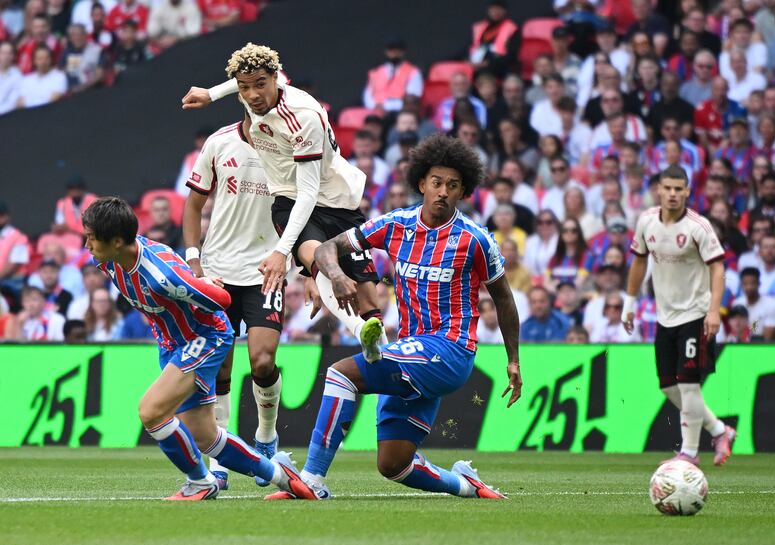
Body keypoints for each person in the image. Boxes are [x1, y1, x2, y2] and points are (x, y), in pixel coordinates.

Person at [267, 134, 522, 501]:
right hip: (410, 350)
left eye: (453, 185)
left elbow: (504, 298)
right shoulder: (396, 224)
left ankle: (312, 478)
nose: (443, 192)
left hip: (450, 350)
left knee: (341, 374)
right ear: (421, 183)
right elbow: (326, 249)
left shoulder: (475, 239)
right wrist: (337, 277)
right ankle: (466, 485)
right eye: (436, 183)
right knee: (394, 465)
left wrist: (513, 359)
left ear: (463, 191)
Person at [82, 196, 316, 501]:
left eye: (91, 238)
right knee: (205, 437)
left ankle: (200, 483)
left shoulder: (161, 276)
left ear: (116, 241)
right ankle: (279, 475)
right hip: (172, 342)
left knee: (151, 411)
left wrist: (205, 284)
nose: (87, 245)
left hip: (205, 338)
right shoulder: (107, 259)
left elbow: (223, 301)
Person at [181, 43, 387, 360]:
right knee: (319, 260)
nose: (252, 96)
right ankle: (360, 332)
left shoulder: (304, 117)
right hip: (288, 200)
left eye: (260, 85)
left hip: (332, 197)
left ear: (276, 80)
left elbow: (309, 193)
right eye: (244, 89)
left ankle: (379, 345)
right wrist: (211, 94)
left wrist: (280, 253)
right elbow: (247, 78)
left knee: (369, 297)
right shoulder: (249, 103)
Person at [183, 113, 321, 489]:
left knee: (262, 361)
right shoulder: (219, 142)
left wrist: (310, 272)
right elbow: (193, 206)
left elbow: (308, 210)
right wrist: (194, 262)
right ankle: (220, 461)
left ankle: (265, 434)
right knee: (220, 370)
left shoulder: (293, 148)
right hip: (216, 272)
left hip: (267, 270)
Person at [624, 164, 736, 467]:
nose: (673, 194)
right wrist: (629, 301)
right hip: (665, 316)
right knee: (667, 386)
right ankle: (719, 430)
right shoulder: (647, 222)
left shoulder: (698, 226)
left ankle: (690, 452)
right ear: (659, 189)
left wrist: (714, 310)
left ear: (687, 191)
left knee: (688, 384)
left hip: (696, 314)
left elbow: (718, 267)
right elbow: (638, 262)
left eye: (678, 189)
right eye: (668, 188)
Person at [362, 37, 423, 114]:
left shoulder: (413, 71)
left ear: (403, 52)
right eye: (391, 50)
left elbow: (413, 98)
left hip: (399, 112)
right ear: (386, 52)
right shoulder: (375, 72)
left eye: (398, 50)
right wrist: (376, 107)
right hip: (375, 111)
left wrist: (386, 106)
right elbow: (368, 96)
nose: (395, 53)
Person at [467, 0, 520, 78]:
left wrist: (487, 63)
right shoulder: (480, 27)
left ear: (504, 11)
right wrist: (468, 61)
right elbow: (470, 47)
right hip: (476, 62)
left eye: (499, 9)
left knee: (484, 73)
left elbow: (511, 55)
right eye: (493, 9)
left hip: (498, 65)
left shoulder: (512, 28)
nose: (495, 12)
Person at [733, 267, 775, 340]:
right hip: (741, 345)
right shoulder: (737, 304)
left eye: (752, 283)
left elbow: (768, 338)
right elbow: (736, 332)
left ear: (759, 284)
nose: (749, 287)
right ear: (741, 285)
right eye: (745, 284)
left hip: (764, 347)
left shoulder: (772, 304)